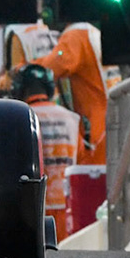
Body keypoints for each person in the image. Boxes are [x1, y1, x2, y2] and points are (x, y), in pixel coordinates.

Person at [15, 63, 83, 242]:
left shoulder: (22, 119)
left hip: (36, 210)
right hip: (68, 208)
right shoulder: (72, 119)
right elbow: (81, 160)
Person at [30, 21, 108, 164]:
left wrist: (16, 72)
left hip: (95, 133)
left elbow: (50, 67)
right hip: (105, 124)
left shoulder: (76, 35)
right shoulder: (92, 32)